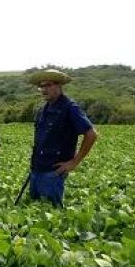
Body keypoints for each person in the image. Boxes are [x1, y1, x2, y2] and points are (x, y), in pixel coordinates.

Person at [27, 69, 98, 206]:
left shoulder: (70, 108)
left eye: (48, 85)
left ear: (59, 86)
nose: (43, 89)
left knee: (51, 216)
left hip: (53, 173)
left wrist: (74, 162)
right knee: (34, 212)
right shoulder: (43, 110)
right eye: (41, 86)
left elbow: (91, 134)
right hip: (36, 170)